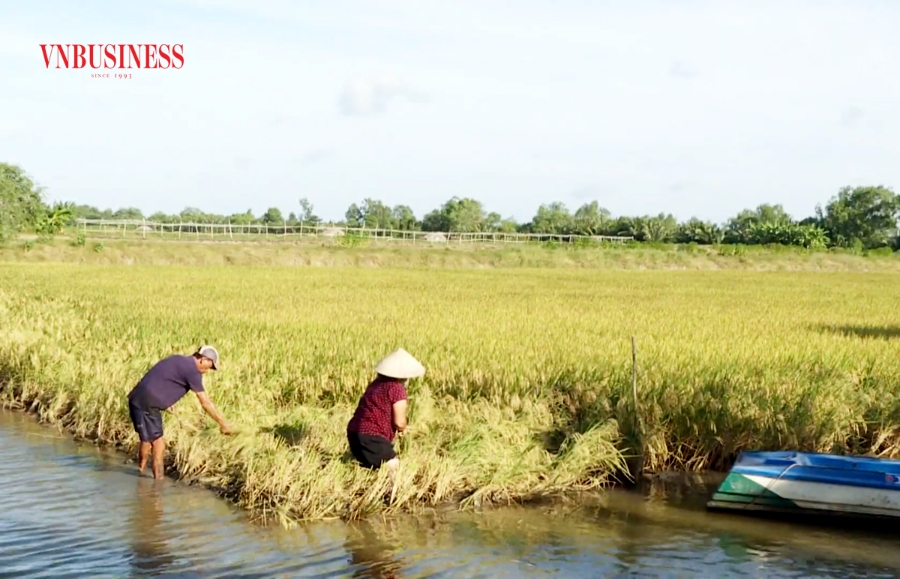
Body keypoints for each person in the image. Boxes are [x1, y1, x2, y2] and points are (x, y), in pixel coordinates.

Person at [127, 345, 232, 479]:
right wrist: (223, 423)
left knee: (147, 438)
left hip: (136, 397)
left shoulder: (177, 359)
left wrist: (165, 400)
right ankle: (158, 482)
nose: (207, 371)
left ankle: (140, 472)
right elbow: (205, 402)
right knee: (159, 444)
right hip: (148, 403)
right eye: (209, 367)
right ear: (203, 359)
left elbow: (160, 378)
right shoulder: (193, 371)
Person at [347, 348, 425, 471]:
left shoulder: (375, 384)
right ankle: (395, 485)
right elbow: (399, 422)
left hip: (354, 432)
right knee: (393, 467)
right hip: (371, 435)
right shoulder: (397, 389)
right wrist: (403, 428)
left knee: (373, 468)